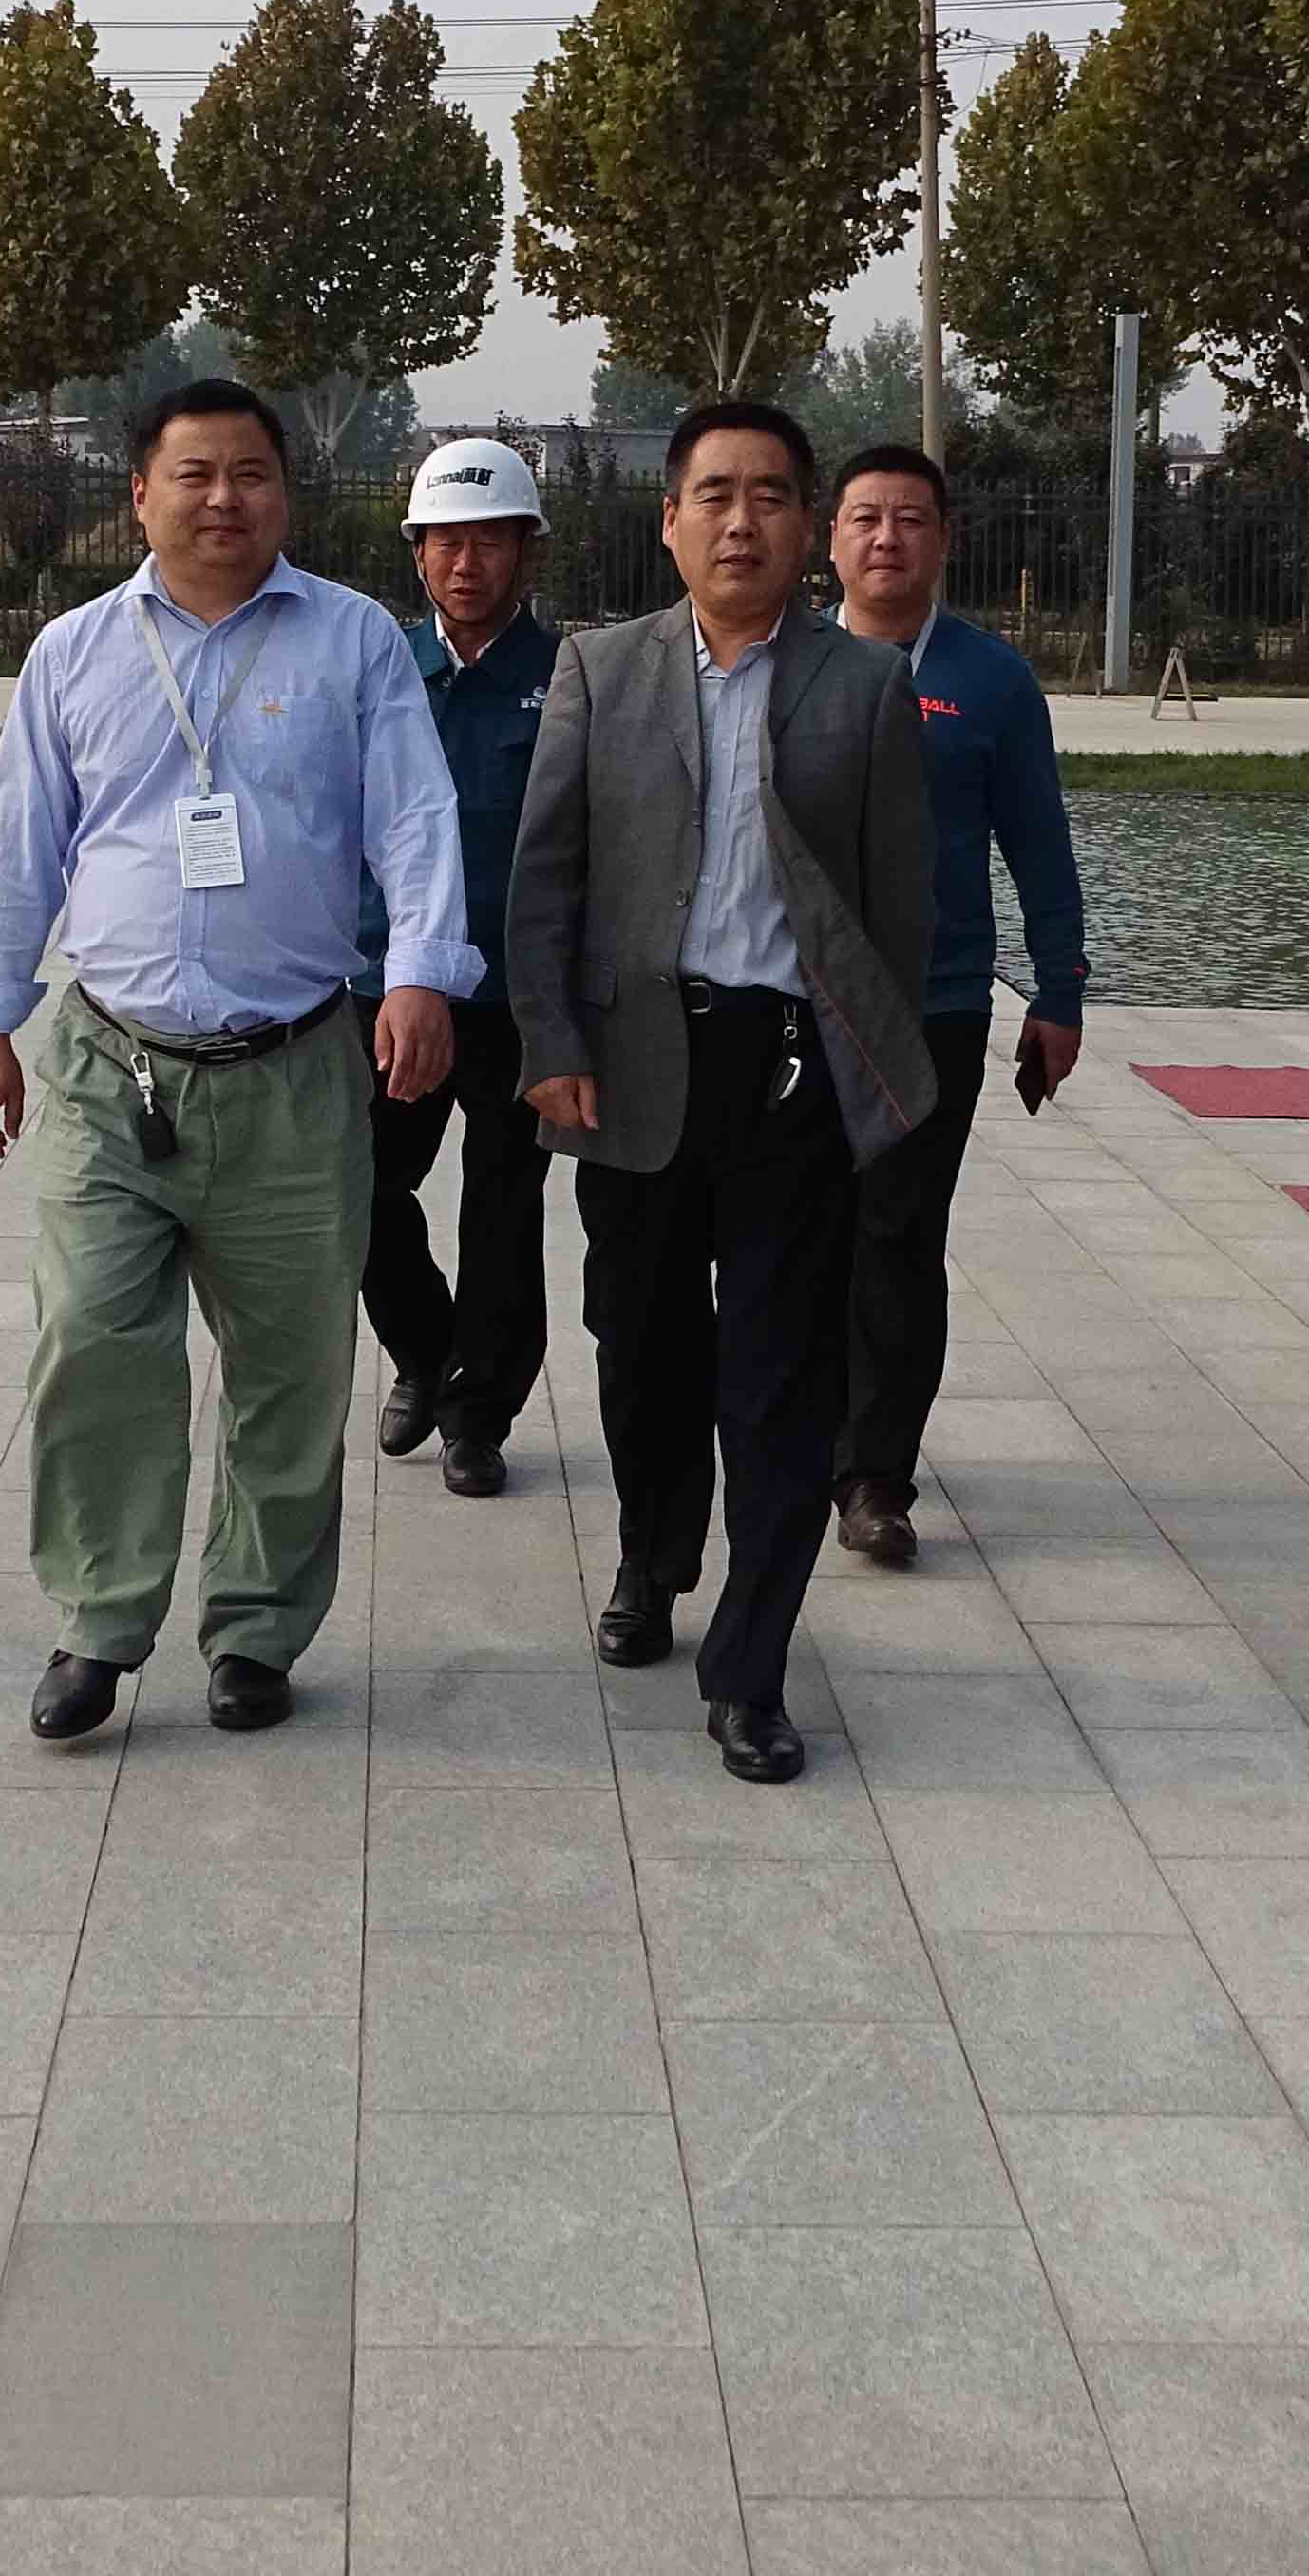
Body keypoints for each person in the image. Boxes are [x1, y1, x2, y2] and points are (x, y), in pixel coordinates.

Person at [0, 376, 473, 1742]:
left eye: (250, 473)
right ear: (141, 495)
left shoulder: (355, 644)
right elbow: (18, 847)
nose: (223, 498)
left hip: (296, 1066)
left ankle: (255, 1628)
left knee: (291, 1370)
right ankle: (99, 1619)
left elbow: (416, 823)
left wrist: (421, 974)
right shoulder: (74, 652)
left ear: (285, 495)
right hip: (106, 1067)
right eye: (193, 474)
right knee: (93, 1342)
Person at [504, 399, 934, 1784]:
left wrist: (877, 1083)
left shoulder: (864, 687)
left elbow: (897, 911)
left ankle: (752, 1666)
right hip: (632, 1065)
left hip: (790, 1074)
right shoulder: (599, 669)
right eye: (715, 495)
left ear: (806, 528)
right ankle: (654, 1551)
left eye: (770, 496)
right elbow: (546, 880)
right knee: (640, 1347)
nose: (741, 522)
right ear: (671, 521)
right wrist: (551, 1042)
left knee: (778, 1377)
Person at [820, 443, 1088, 1569]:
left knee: (897, 1236)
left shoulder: (990, 680)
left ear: (945, 540)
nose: (888, 539)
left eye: (912, 519)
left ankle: (876, 1476)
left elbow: (1039, 844)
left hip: (930, 1010)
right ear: (832, 538)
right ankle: (808, 1436)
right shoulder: (784, 663)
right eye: (867, 518)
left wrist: (1060, 989)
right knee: (802, 1234)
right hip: (795, 1006)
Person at [358, 435, 565, 1498]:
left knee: (502, 1207)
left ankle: (478, 1415)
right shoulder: (378, 666)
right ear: (418, 553)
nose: (465, 564)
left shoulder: (570, 679)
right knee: (356, 1184)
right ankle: (425, 1350)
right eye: (445, 542)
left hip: (514, 995)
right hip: (386, 984)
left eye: (489, 542)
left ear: (527, 553)